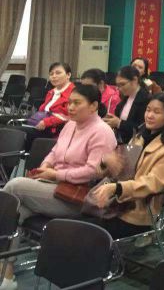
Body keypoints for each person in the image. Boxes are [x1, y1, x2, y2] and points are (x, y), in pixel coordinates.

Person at [1, 84, 116, 290]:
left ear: (93, 106)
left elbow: (93, 172)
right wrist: (46, 165)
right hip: (56, 187)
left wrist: (56, 174)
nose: (70, 107)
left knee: (14, 186)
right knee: (18, 209)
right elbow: (55, 152)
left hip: (78, 197)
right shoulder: (71, 125)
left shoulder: (102, 132)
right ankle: (6, 272)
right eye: (69, 102)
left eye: (77, 103)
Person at [91, 93, 164, 239]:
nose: (149, 115)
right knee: (82, 222)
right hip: (116, 203)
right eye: (148, 110)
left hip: (137, 211)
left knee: (92, 233)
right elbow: (121, 171)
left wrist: (118, 188)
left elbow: (153, 183)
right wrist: (106, 162)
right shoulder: (139, 138)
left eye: (157, 112)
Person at [23, 62, 75, 149]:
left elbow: (70, 116)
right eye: (51, 74)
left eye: (58, 73)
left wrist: (46, 122)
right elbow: (43, 110)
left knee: (16, 132)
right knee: (9, 129)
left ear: (68, 75)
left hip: (56, 130)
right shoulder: (52, 92)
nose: (54, 76)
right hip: (42, 126)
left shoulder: (74, 93)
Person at [103, 66, 151, 144]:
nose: (119, 88)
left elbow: (143, 127)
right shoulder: (125, 97)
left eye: (122, 84)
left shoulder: (146, 99)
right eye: (118, 85)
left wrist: (119, 123)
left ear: (135, 80)